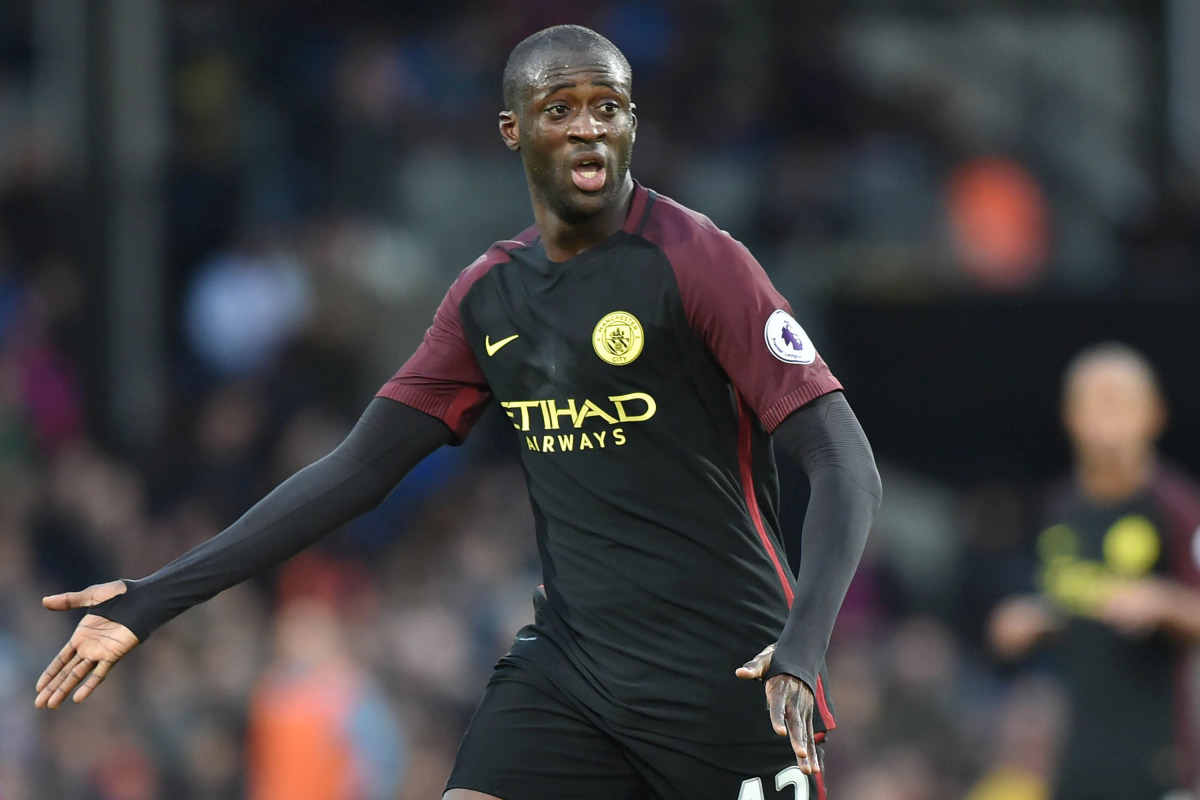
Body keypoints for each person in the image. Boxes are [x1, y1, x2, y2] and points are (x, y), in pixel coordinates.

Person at [35, 25, 881, 800]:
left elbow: (844, 461)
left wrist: (804, 645)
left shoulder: (702, 263)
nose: (589, 129)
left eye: (608, 108)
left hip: (731, 670)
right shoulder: (487, 296)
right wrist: (152, 598)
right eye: (561, 109)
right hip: (574, 668)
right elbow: (355, 473)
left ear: (632, 125)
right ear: (512, 130)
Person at [988, 342, 1200, 800]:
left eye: (1121, 404)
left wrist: (1163, 602)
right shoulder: (1060, 509)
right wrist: (1028, 621)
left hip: (1162, 761)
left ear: (1154, 414)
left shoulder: (1177, 509)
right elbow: (1060, 602)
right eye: (1096, 404)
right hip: (1076, 759)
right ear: (1071, 416)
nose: (1109, 421)